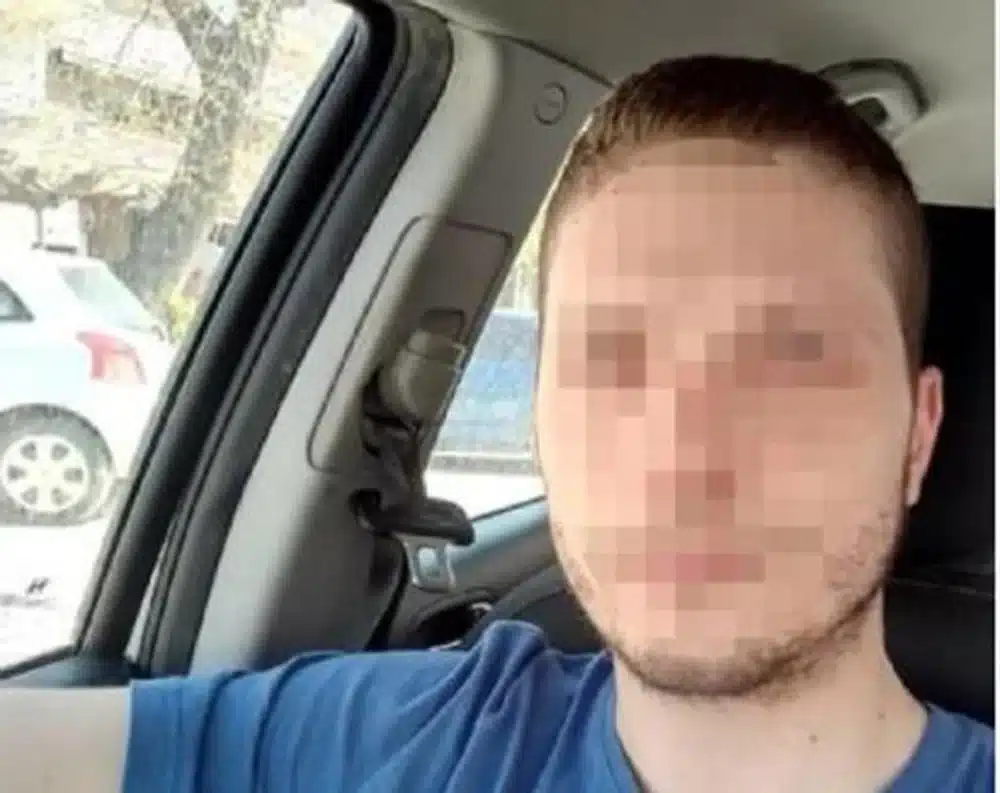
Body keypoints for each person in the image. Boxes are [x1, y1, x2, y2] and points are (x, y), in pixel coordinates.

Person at [0, 55, 992, 793]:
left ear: (917, 435)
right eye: (613, 360)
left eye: (791, 356)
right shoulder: (408, 738)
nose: (684, 450)